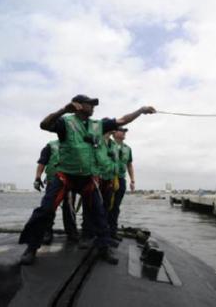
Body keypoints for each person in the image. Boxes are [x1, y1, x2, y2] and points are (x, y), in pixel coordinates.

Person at [19, 94, 155, 265]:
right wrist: (63, 110)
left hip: (87, 177)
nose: (93, 107)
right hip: (65, 176)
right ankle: (31, 248)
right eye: (90, 104)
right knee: (45, 210)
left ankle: (103, 248)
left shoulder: (97, 125)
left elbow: (122, 121)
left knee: (99, 213)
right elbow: (44, 125)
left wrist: (141, 110)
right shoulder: (65, 123)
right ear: (78, 105)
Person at [34, 140, 78, 244]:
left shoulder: (77, 145)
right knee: (49, 207)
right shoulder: (50, 146)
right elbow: (42, 162)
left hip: (71, 181)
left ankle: (71, 232)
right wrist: (37, 177)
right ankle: (47, 232)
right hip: (53, 180)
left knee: (70, 208)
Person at [110, 127, 134, 241]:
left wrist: (132, 180)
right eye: (122, 130)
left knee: (116, 207)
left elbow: (129, 164)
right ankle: (101, 231)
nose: (124, 133)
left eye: (125, 131)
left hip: (120, 179)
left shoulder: (127, 149)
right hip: (107, 178)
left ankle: (112, 231)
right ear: (114, 133)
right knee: (105, 205)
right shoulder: (107, 144)